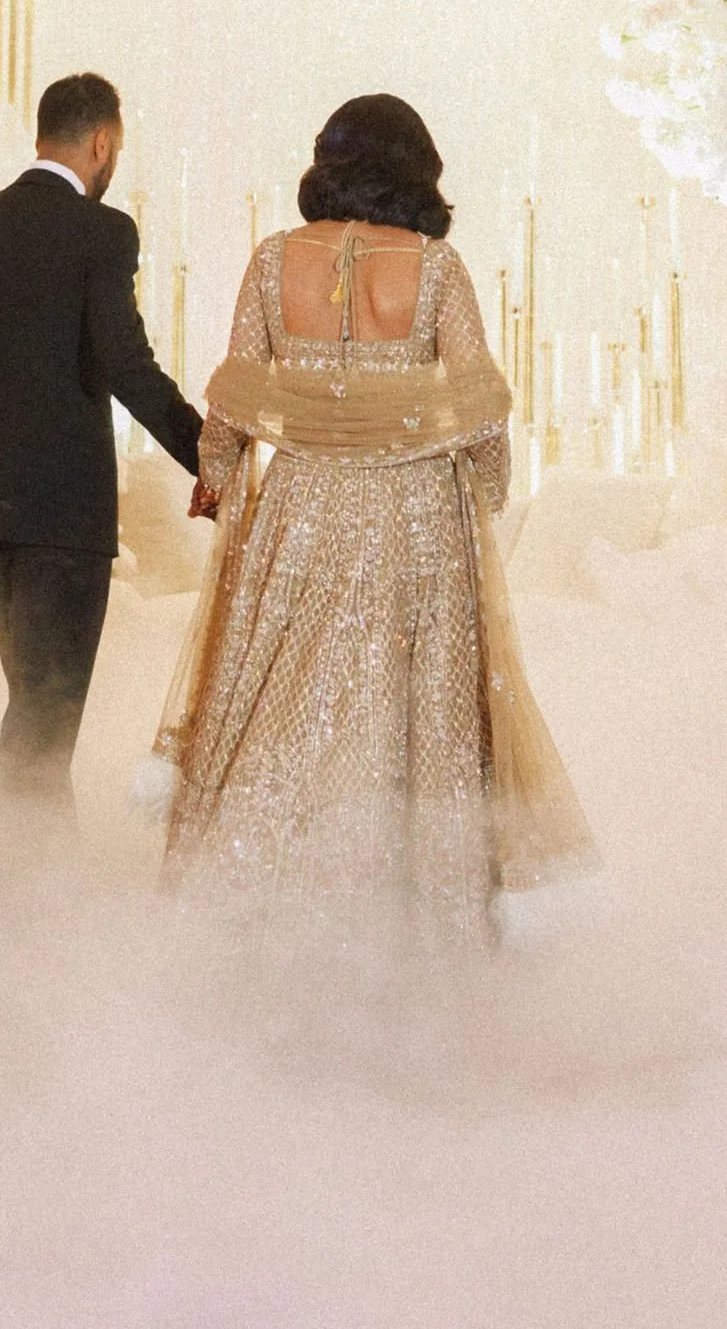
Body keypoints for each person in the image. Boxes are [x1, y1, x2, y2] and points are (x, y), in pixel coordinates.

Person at [155, 93, 595, 944]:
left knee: (286, 697)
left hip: (302, 509)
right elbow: (481, 408)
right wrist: (487, 494)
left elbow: (235, 394)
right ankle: (415, 920)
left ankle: (258, 912)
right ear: (414, 166)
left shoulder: (273, 259)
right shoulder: (436, 266)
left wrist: (216, 477)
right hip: (417, 513)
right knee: (416, 707)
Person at [0, 71, 203, 867]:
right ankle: (12, 900)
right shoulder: (101, 233)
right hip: (61, 515)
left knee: (36, 706)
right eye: (116, 151)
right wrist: (211, 457)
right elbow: (128, 366)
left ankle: (43, 890)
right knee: (45, 716)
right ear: (102, 142)